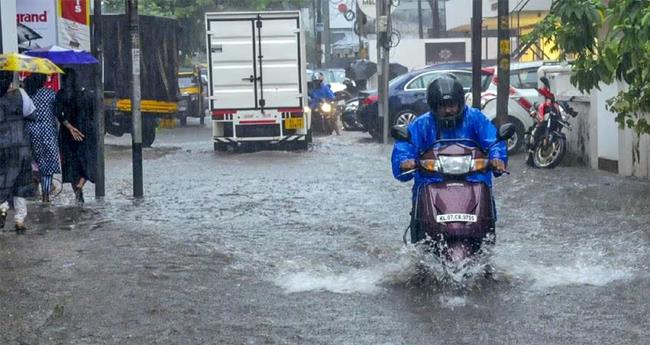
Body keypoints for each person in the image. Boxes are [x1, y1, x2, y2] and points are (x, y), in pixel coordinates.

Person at [390, 75, 508, 243]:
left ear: (460, 103)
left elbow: (494, 140)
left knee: (487, 223)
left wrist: (497, 158)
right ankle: (419, 242)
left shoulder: (475, 118)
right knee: (419, 230)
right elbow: (405, 145)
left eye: (451, 105)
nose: (448, 110)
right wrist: (405, 160)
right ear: (433, 106)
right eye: (442, 106)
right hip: (432, 182)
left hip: (474, 180)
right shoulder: (422, 124)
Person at [0, 71, 36, 233]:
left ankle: (2, 208)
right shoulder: (20, 93)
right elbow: (32, 115)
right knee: (21, 182)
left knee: (3, 180)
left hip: (2, 145)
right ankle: (20, 220)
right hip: (21, 144)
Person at [55, 68, 96, 205]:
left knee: (72, 165)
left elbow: (59, 114)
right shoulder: (84, 95)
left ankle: (76, 192)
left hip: (67, 135)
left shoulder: (61, 95)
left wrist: (70, 128)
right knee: (86, 162)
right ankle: (80, 185)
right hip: (84, 132)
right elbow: (92, 114)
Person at [23, 73, 60, 203]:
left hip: (30, 131)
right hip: (47, 132)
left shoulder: (27, 95)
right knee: (47, 165)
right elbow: (56, 112)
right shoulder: (50, 94)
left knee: (33, 163)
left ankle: (33, 194)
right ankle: (45, 196)